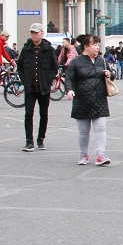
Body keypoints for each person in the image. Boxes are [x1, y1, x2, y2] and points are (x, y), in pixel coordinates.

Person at [65, 34, 112, 166]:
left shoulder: (101, 61)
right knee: (83, 131)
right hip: (82, 100)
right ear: (86, 46)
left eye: (98, 44)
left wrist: (110, 74)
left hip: (99, 99)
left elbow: (111, 74)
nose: (97, 47)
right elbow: (69, 78)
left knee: (101, 128)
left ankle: (100, 155)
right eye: (95, 44)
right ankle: (83, 154)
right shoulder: (76, 62)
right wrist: (69, 90)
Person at [17, 23, 57, 152]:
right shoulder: (26, 49)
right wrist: (24, 80)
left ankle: (41, 139)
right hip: (30, 87)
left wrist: (48, 81)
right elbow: (20, 67)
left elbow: (54, 67)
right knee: (28, 114)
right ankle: (29, 141)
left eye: (36, 32)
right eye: (32, 33)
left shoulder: (48, 49)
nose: (34, 35)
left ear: (41, 33)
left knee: (43, 114)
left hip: (43, 87)